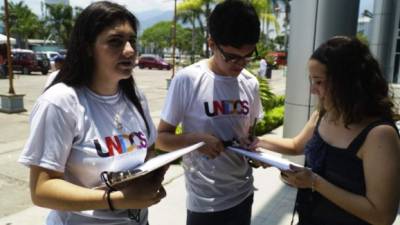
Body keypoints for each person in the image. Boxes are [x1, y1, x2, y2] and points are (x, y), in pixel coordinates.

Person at [19, 1, 167, 225]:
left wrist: (150, 181)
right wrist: (114, 199)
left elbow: (149, 151)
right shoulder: (61, 102)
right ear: (88, 47)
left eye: (132, 41)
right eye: (115, 41)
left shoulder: (135, 96)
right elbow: (42, 189)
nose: (129, 50)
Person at [251, 36, 400, 225]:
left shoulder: (380, 135)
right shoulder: (325, 114)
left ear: (347, 83)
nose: (313, 90)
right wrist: (258, 143)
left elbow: (382, 216)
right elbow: (297, 145)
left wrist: (314, 182)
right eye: (312, 80)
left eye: (319, 82)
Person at [156, 1, 263, 225]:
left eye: (248, 56)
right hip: (206, 203)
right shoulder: (188, 80)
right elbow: (161, 139)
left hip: (244, 193)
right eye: (232, 57)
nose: (240, 64)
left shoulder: (250, 83)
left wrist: (253, 147)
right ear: (212, 44)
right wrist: (194, 141)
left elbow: (249, 133)